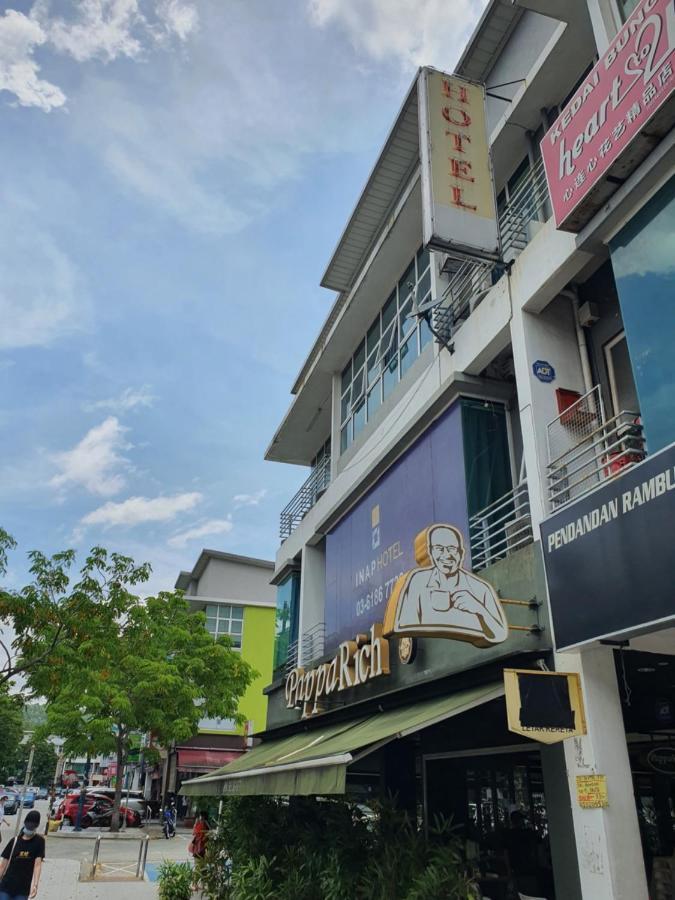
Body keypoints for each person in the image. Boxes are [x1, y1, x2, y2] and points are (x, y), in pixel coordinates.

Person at [384, 524, 508, 647]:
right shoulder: (417, 581)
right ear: (431, 553)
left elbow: (500, 634)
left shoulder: (481, 588)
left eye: (452, 549)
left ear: (461, 553)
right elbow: (402, 624)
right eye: (439, 548)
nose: (446, 555)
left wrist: (479, 609)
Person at [0, 810, 45, 900]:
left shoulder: (39, 842)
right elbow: (3, 865)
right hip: (6, 886)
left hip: (23, 889)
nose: (29, 829)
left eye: (31, 827)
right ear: (24, 824)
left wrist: (35, 885)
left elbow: (37, 865)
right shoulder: (14, 841)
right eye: (28, 826)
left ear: (36, 826)